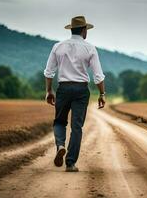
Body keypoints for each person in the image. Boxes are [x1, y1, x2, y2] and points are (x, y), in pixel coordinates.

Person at [44, 15, 105, 172]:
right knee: (77, 127)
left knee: (59, 122)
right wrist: (101, 94)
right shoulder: (90, 48)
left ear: (71, 30)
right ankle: (70, 163)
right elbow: (98, 75)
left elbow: (49, 72)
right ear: (84, 30)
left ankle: (60, 145)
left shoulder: (58, 47)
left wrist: (49, 91)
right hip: (81, 90)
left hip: (63, 88)